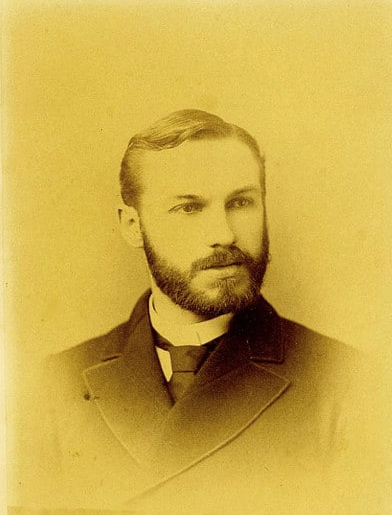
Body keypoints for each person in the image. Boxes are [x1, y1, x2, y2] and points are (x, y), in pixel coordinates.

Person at [27, 110, 368, 514]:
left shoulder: (350, 384)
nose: (224, 234)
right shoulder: (53, 386)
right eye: (188, 208)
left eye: (241, 202)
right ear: (132, 226)